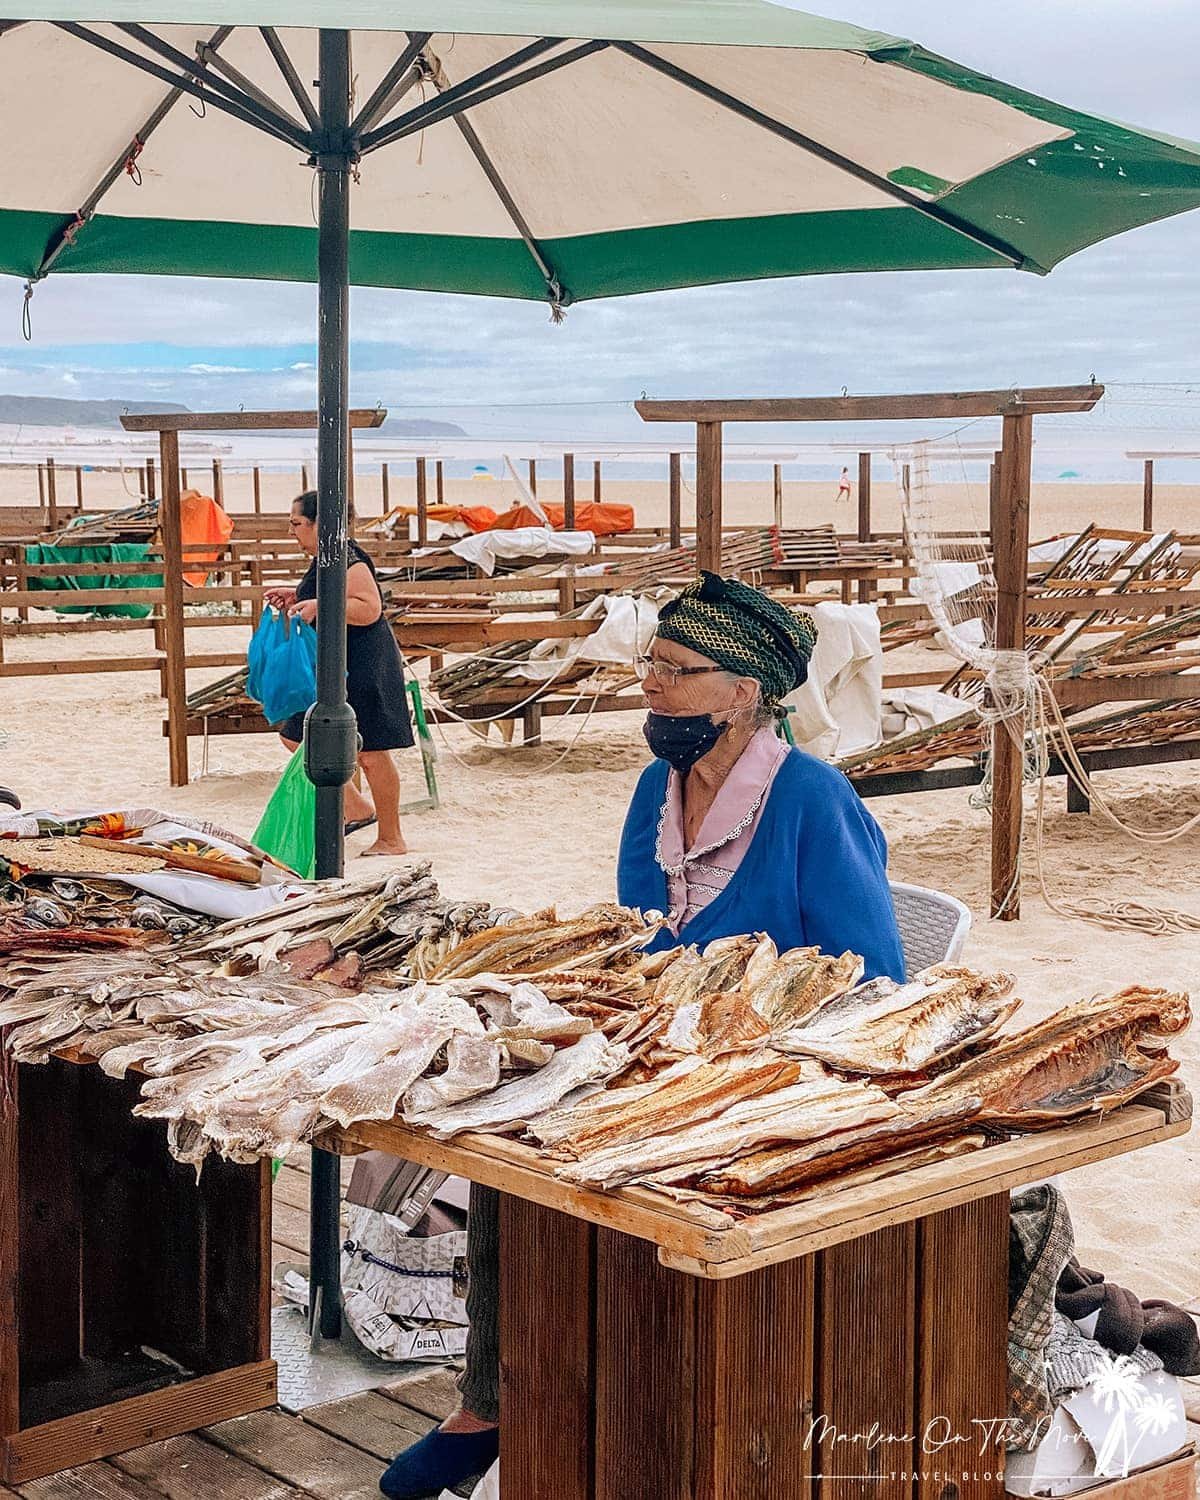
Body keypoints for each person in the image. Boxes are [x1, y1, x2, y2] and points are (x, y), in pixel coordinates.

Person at [380, 573, 904, 1500]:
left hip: (767, 1069)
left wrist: (743, 1038)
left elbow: (878, 981)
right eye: (649, 666)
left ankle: (622, 1400)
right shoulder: (652, 792)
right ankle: (498, 1397)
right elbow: (638, 940)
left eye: (674, 670)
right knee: (507, 1134)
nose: (649, 687)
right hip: (659, 1045)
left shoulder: (814, 801)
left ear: (744, 693)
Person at [264, 490, 413, 857]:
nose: (292, 532)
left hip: (364, 663)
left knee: (373, 751)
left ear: (320, 524)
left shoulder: (347, 556)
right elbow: (331, 594)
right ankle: (357, 807)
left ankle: (392, 838)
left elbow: (369, 608)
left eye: (297, 524)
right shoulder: (326, 556)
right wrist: (298, 594)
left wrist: (318, 605)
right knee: (297, 735)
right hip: (340, 665)